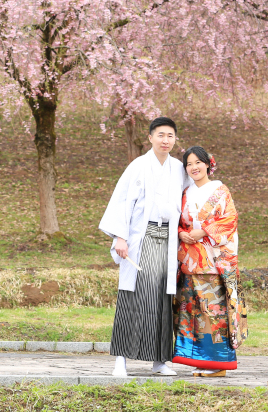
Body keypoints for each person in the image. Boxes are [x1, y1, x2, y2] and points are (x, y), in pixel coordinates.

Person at [99, 117, 190, 377]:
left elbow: (188, 200)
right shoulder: (138, 166)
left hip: (168, 238)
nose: (165, 140)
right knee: (133, 296)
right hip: (142, 236)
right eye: (160, 135)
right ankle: (121, 359)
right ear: (150, 138)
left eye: (170, 136)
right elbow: (122, 201)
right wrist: (120, 237)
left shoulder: (178, 168)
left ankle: (160, 360)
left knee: (162, 298)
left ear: (175, 139)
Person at [172, 146, 247, 377]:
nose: (194, 167)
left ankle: (218, 364)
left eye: (198, 162)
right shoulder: (185, 192)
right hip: (189, 262)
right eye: (189, 164)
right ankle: (200, 360)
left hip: (213, 262)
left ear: (208, 164)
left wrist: (203, 232)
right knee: (192, 311)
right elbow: (179, 219)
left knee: (212, 311)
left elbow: (229, 220)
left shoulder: (220, 190)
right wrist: (181, 232)